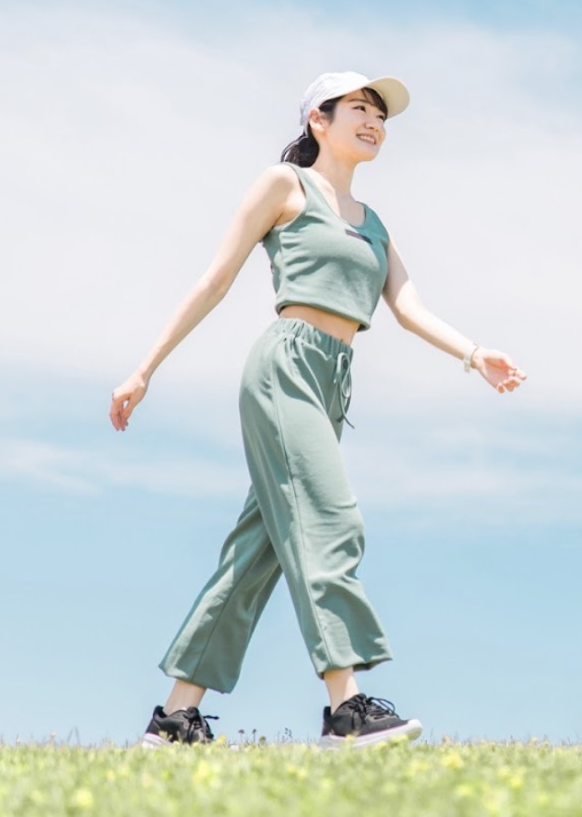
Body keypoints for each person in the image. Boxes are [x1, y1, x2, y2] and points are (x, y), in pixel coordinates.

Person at [109, 71, 527, 749]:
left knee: (261, 550)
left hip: (333, 380)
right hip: (286, 367)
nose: (373, 123)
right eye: (359, 109)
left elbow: (408, 306)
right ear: (318, 122)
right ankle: (346, 709)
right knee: (330, 520)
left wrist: (475, 353)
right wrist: (144, 368)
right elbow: (215, 279)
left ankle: (176, 718)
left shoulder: (375, 224)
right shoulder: (285, 187)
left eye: (380, 116)